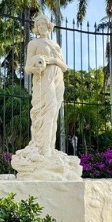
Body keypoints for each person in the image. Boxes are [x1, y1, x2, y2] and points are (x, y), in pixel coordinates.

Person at [24, 13, 68, 156]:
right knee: (49, 109)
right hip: (43, 79)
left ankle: (49, 146)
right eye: (39, 25)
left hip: (58, 78)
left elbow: (65, 67)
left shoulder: (55, 45)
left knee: (54, 113)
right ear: (36, 28)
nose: (42, 27)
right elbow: (27, 68)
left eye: (44, 24)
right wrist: (35, 67)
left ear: (49, 25)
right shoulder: (34, 43)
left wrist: (54, 61)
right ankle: (44, 149)